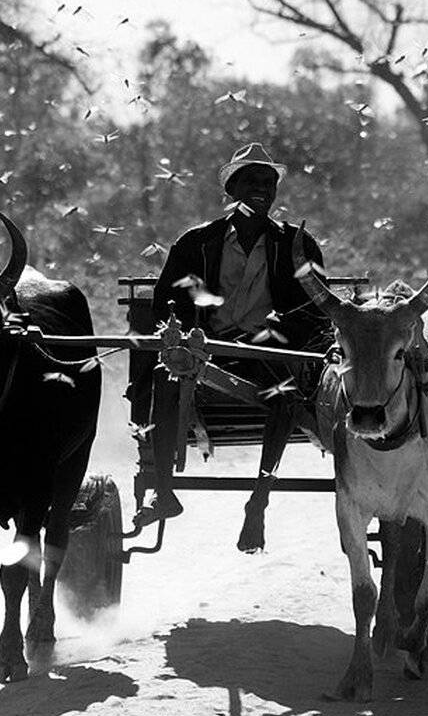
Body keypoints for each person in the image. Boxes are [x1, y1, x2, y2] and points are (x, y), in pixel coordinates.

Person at [133, 142, 334, 552]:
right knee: (163, 379)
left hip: (268, 349)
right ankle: (164, 493)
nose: (261, 188)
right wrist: (184, 334)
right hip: (209, 349)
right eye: (250, 180)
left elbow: (318, 310)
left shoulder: (297, 244)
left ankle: (258, 502)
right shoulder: (196, 243)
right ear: (231, 190)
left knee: (286, 395)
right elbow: (165, 302)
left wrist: (283, 328)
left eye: (268, 182)